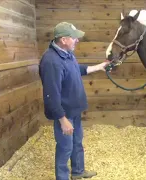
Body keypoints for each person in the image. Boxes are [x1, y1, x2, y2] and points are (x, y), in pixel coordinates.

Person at [39, 22, 109, 180]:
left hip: (74, 110)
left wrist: (99, 66)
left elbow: (77, 69)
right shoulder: (51, 61)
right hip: (64, 113)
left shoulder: (67, 53)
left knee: (77, 143)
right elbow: (51, 95)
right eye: (74, 37)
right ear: (64, 40)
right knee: (65, 147)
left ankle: (77, 172)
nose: (77, 40)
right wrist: (62, 119)